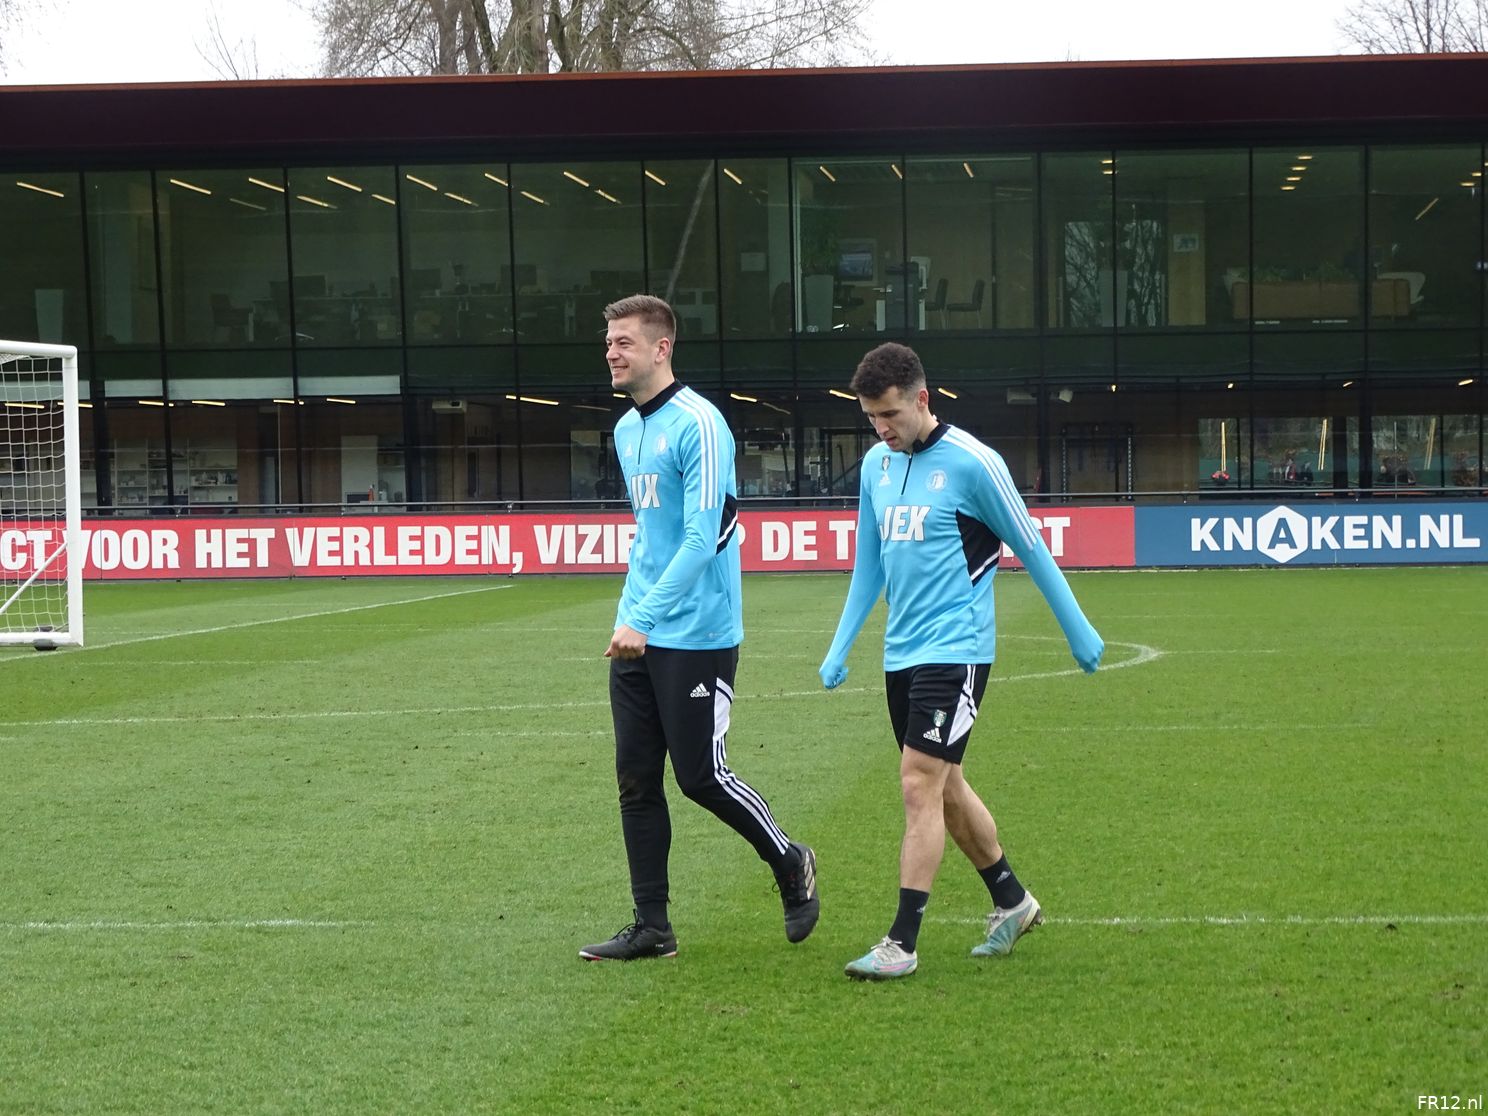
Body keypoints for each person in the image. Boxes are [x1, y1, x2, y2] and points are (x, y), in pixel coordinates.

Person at [819, 342, 1104, 981]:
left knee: (918, 782)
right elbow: (871, 562)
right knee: (944, 787)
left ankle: (901, 941)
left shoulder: (975, 464)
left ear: (922, 398)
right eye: (871, 418)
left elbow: (1030, 546)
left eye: (890, 414)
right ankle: (1012, 901)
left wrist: (1078, 629)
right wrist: (842, 645)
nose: (881, 429)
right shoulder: (876, 466)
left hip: (959, 651)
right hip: (903, 653)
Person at [580, 294, 819, 961]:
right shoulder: (628, 430)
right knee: (635, 777)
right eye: (608, 341)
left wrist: (646, 617)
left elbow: (705, 533)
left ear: (661, 348)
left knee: (700, 776)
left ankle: (789, 860)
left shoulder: (701, 424)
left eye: (623, 341)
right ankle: (652, 926)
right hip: (640, 628)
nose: (611, 352)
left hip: (698, 632)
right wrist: (631, 615)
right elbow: (650, 537)